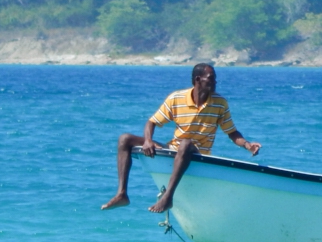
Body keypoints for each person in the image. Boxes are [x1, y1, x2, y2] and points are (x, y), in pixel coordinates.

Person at [101, 63, 261, 213]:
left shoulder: (220, 103)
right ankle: (122, 194)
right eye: (211, 79)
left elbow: (232, 132)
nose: (215, 82)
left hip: (199, 153)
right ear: (198, 80)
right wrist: (148, 140)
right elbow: (152, 122)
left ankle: (168, 197)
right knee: (124, 139)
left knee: (185, 144)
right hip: (174, 149)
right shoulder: (176, 98)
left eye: (215, 79)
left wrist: (247, 145)